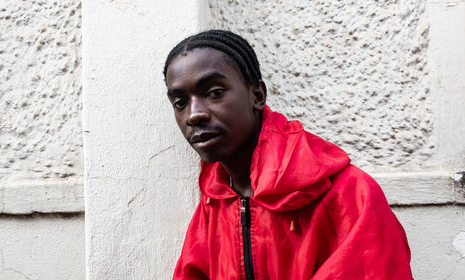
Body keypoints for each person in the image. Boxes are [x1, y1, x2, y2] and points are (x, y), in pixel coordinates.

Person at [163, 30, 413, 280]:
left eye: (214, 92)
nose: (194, 114)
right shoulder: (215, 201)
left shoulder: (349, 193)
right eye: (180, 103)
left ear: (257, 95)